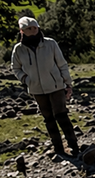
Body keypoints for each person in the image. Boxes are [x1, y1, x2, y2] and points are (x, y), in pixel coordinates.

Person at [11, 16, 80, 157]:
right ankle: (58, 148)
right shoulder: (18, 50)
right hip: (36, 89)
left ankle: (73, 146)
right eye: (28, 28)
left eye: (35, 28)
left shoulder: (50, 43)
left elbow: (62, 64)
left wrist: (68, 83)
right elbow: (15, 67)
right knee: (48, 118)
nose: (32, 31)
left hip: (56, 86)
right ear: (22, 31)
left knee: (61, 115)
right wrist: (25, 79)